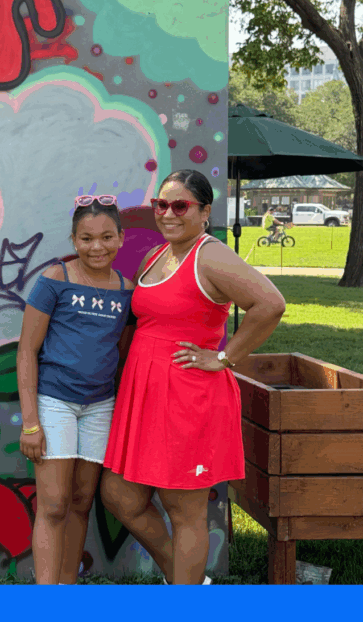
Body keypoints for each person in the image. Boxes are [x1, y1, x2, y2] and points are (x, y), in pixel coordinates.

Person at [100, 169, 286, 585]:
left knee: (185, 512)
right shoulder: (160, 253)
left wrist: (224, 357)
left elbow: (270, 304)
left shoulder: (210, 254)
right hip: (145, 396)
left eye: (180, 205)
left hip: (187, 396)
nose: (168, 213)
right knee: (119, 495)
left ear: (204, 211)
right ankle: (187, 580)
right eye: (161, 205)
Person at [17, 195, 135, 584]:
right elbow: (26, 352)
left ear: (120, 238)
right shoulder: (55, 279)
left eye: (105, 237)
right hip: (55, 403)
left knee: (82, 502)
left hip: (100, 406)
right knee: (53, 506)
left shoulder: (126, 291)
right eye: (86, 238)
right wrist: (31, 422)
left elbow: (119, 355)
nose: (96, 246)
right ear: (73, 240)